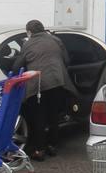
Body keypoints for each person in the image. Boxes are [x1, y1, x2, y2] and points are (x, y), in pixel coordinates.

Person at [11, 20, 77, 161]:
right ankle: (52, 146)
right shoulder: (56, 40)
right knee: (53, 115)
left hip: (39, 86)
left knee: (39, 117)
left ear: (29, 31)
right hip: (58, 82)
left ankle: (39, 150)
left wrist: (16, 73)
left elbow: (18, 65)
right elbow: (66, 60)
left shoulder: (28, 44)